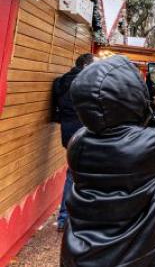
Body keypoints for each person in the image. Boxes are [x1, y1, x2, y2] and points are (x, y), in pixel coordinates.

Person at [60, 55, 155, 267]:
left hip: (83, 252)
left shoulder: (78, 141)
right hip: (137, 255)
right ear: (130, 96)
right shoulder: (150, 143)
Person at [51, 53, 94, 232]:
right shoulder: (86, 83)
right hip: (84, 133)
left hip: (68, 134)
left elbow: (56, 109)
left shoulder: (61, 82)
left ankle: (65, 218)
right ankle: (69, 218)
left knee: (74, 173)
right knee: (80, 175)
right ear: (85, 66)